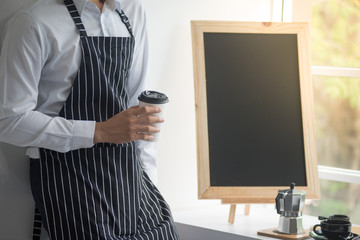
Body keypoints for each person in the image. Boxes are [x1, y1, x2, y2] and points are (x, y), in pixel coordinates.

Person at [0, 0, 179, 239]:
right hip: (68, 177)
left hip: (131, 179)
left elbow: (140, 111)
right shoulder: (34, 21)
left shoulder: (132, 10)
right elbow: (9, 120)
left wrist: (148, 180)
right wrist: (99, 131)